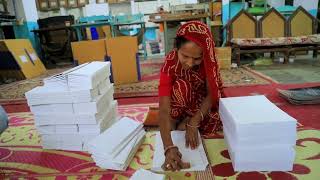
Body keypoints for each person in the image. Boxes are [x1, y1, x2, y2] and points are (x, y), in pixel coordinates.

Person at [158, 21, 224, 171]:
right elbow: (163, 107)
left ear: (205, 54)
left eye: (197, 59)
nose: (189, 63)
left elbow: (212, 94)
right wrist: (168, 147)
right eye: (185, 56)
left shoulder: (210, 61)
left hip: (202, 102)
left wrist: (194, 121)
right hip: (182, 100)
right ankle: (178, 122)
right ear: (176, 48)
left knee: (215, 116)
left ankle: (187, 120)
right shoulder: (170, 63)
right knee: (181, 86)